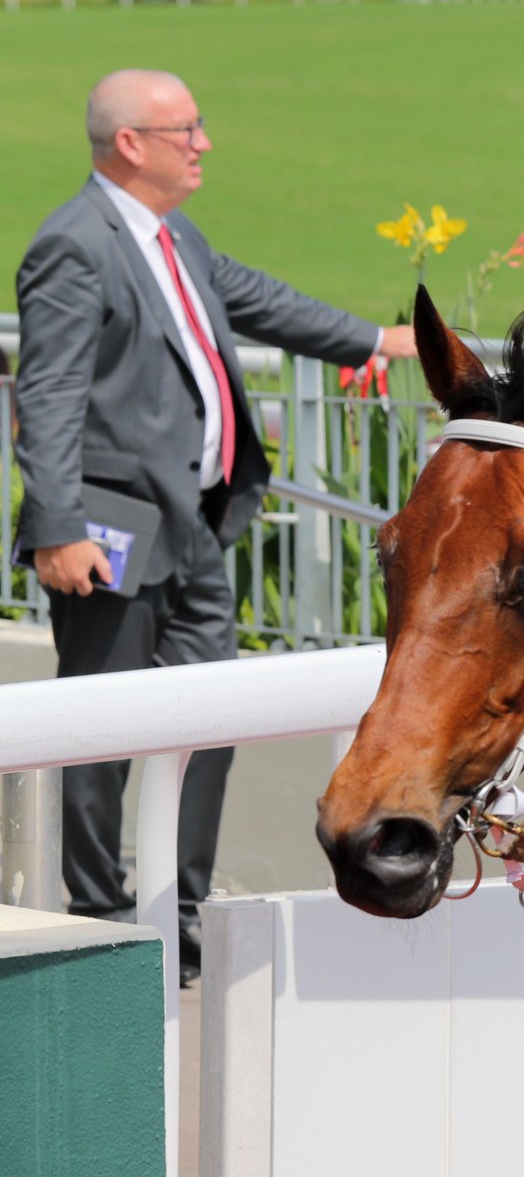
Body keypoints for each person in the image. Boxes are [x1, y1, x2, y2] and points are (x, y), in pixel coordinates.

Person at [13, 69, 418, 984]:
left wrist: (372, 340)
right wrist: (58, 525)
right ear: (131, 144)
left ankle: (178, 912)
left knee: (208, 720)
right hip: (110, 533)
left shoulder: (174, 234)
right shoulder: (74, 246)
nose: (202, 142)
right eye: (185, 128)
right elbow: (47, 395)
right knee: (100, 731)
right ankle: (102, 914)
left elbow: (257, 297)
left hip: (195, 526)